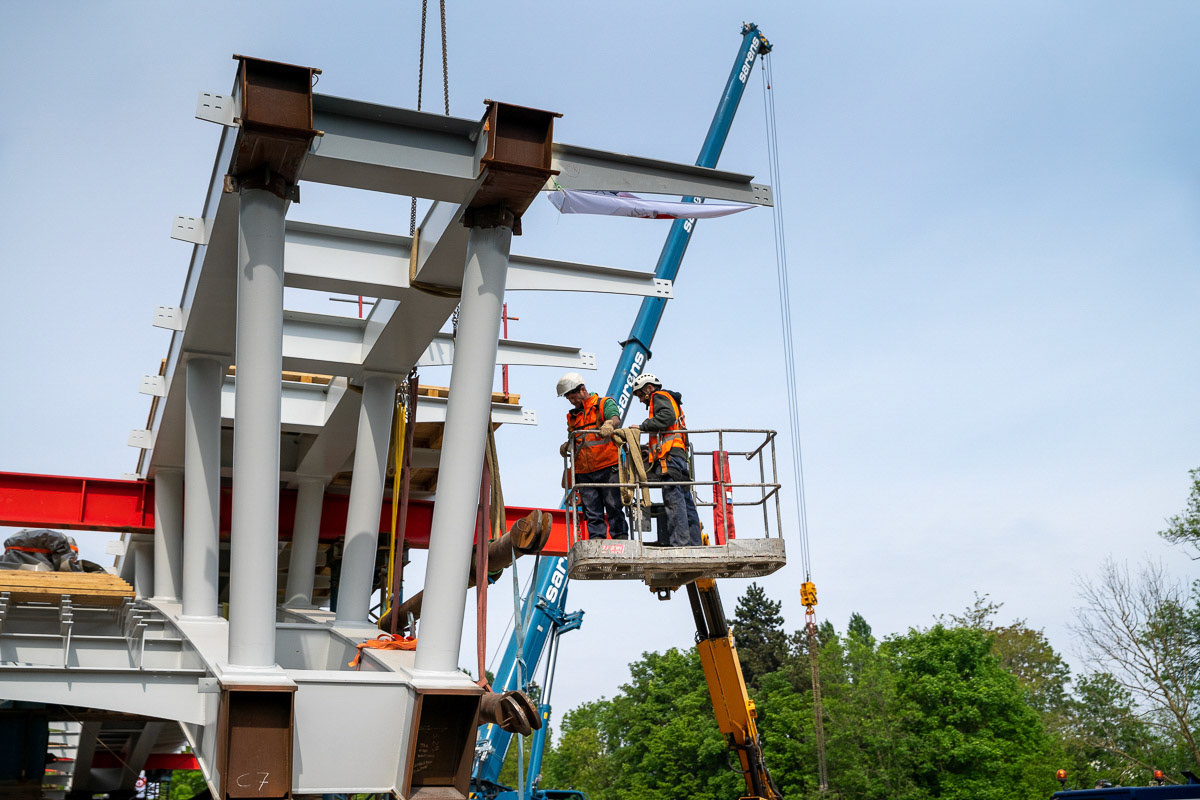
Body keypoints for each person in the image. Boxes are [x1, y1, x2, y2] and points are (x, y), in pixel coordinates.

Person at [631, 373, 702, 547]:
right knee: (686, 501)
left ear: (649, 388)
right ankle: (694, 543)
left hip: (669, 457)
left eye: (640, 394)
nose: (641, 399)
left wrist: (642, 427)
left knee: (674, 500)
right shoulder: (670, 399)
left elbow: (666, 418)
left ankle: (680, 544)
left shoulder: (658, 396)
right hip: (678, 456)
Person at [557, 371, 628, 541]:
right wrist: (568, 444)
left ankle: (620, 539)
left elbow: (615, 418)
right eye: (568, 399)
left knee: (613, 506)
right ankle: (597, 541)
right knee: (592, 511)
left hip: (607, 467)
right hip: (584, 472)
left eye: (572, 397)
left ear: (582, 390)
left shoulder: (603, 404)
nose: (572, 401)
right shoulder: (573, 416)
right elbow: (575, 436)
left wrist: (610, 423)